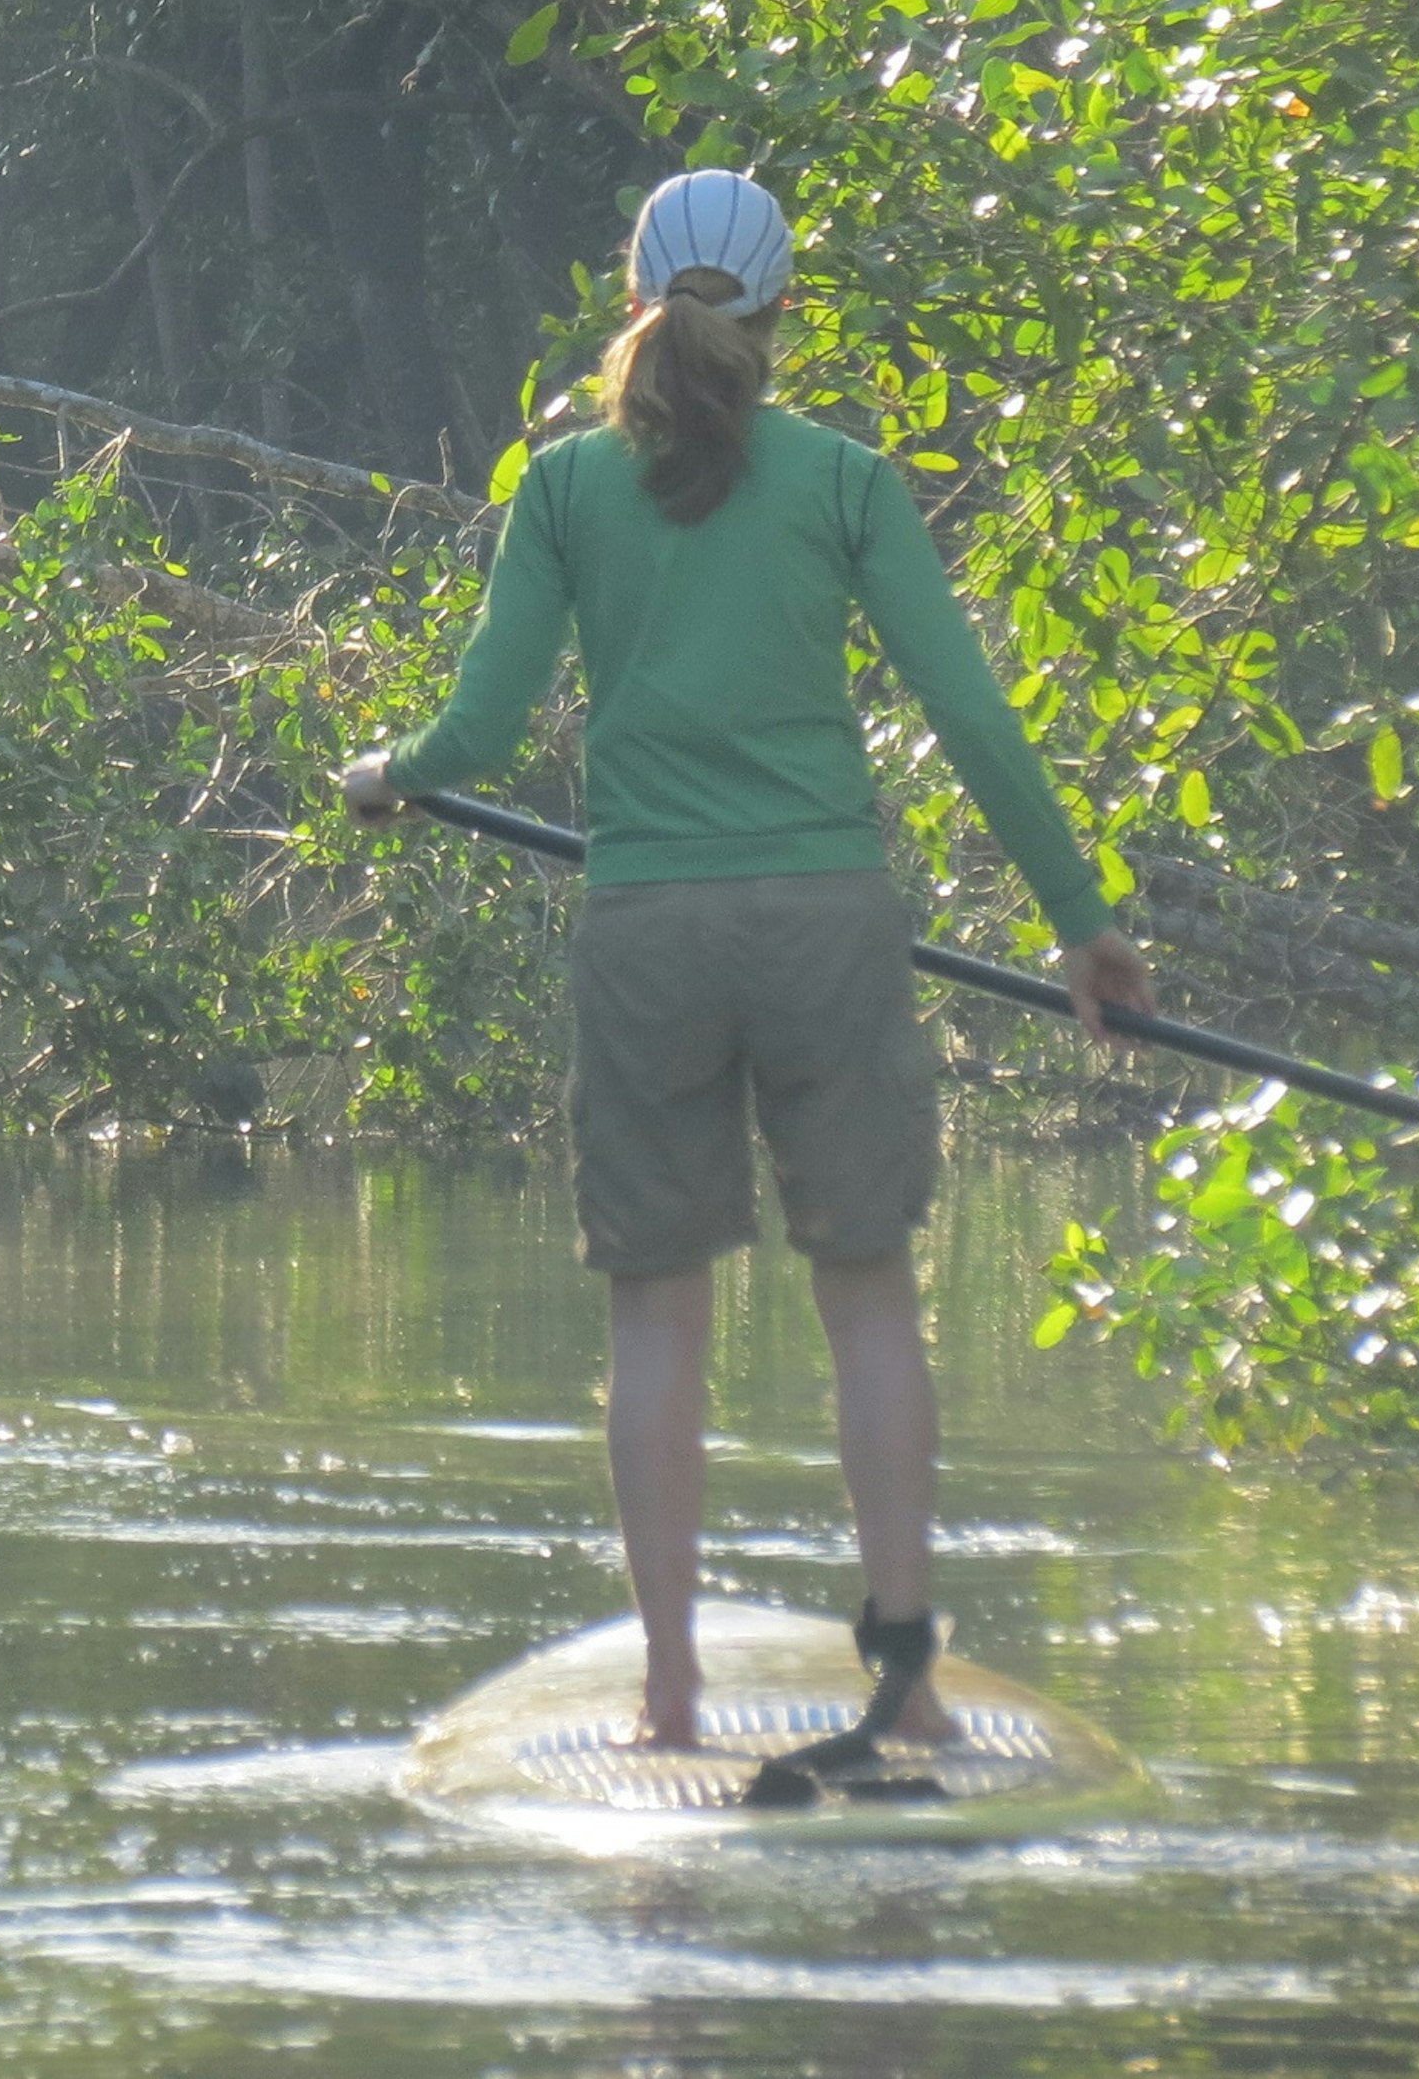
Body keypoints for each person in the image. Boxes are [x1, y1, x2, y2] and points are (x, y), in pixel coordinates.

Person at [339, 168, 1151, 1771]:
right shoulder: (848, 479)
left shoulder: (565, 487)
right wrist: (1078, 921)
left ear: (631, 296)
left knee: (659, 1317)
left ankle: (666, 1696)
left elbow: (485, 727)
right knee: (868, 1300)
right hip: (830, 926)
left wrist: (393, 774)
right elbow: (975, 718)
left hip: (652, 930)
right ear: (784, 314)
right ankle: (904, 1681)